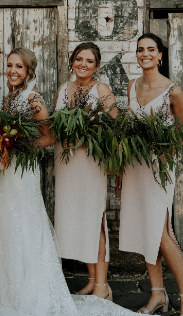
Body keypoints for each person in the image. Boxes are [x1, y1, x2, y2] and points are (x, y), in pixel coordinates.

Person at [0, 47, 136, 316]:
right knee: (20, 225)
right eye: (10, 65)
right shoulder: (33, 94)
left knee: (87, 219)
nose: (13, 71)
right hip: (58, 164)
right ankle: (77, 281)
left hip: (84, 162)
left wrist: (20, 145)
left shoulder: (36, 98)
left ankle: (99, 284)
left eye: (19, 66)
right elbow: (59, 132)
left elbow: (51, 136)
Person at [118, 33, 183, 316]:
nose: (145, 54)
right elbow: (126, 128)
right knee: (144, 229)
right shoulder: (131, 86)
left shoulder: (173, 91)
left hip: (159, 168)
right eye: (140, 50)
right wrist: (119, 169)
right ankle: (157, 294)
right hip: (134, 166)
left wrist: (164, 150)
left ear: (160, 54)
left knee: (161, 232)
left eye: (150, 49)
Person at [54, 42, 117, 299]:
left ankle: (102, 286)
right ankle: (91, 280)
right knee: (77, 221)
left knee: (94, 221)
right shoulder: (63, 89)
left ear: (97, 66)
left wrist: (85, 139)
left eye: (89, 61)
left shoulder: (101, 89)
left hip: (90, 164)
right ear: (72, 61)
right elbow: (55, 125)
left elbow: (114, 127)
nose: (83, 64)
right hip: (66, 165)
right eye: (79, 59)